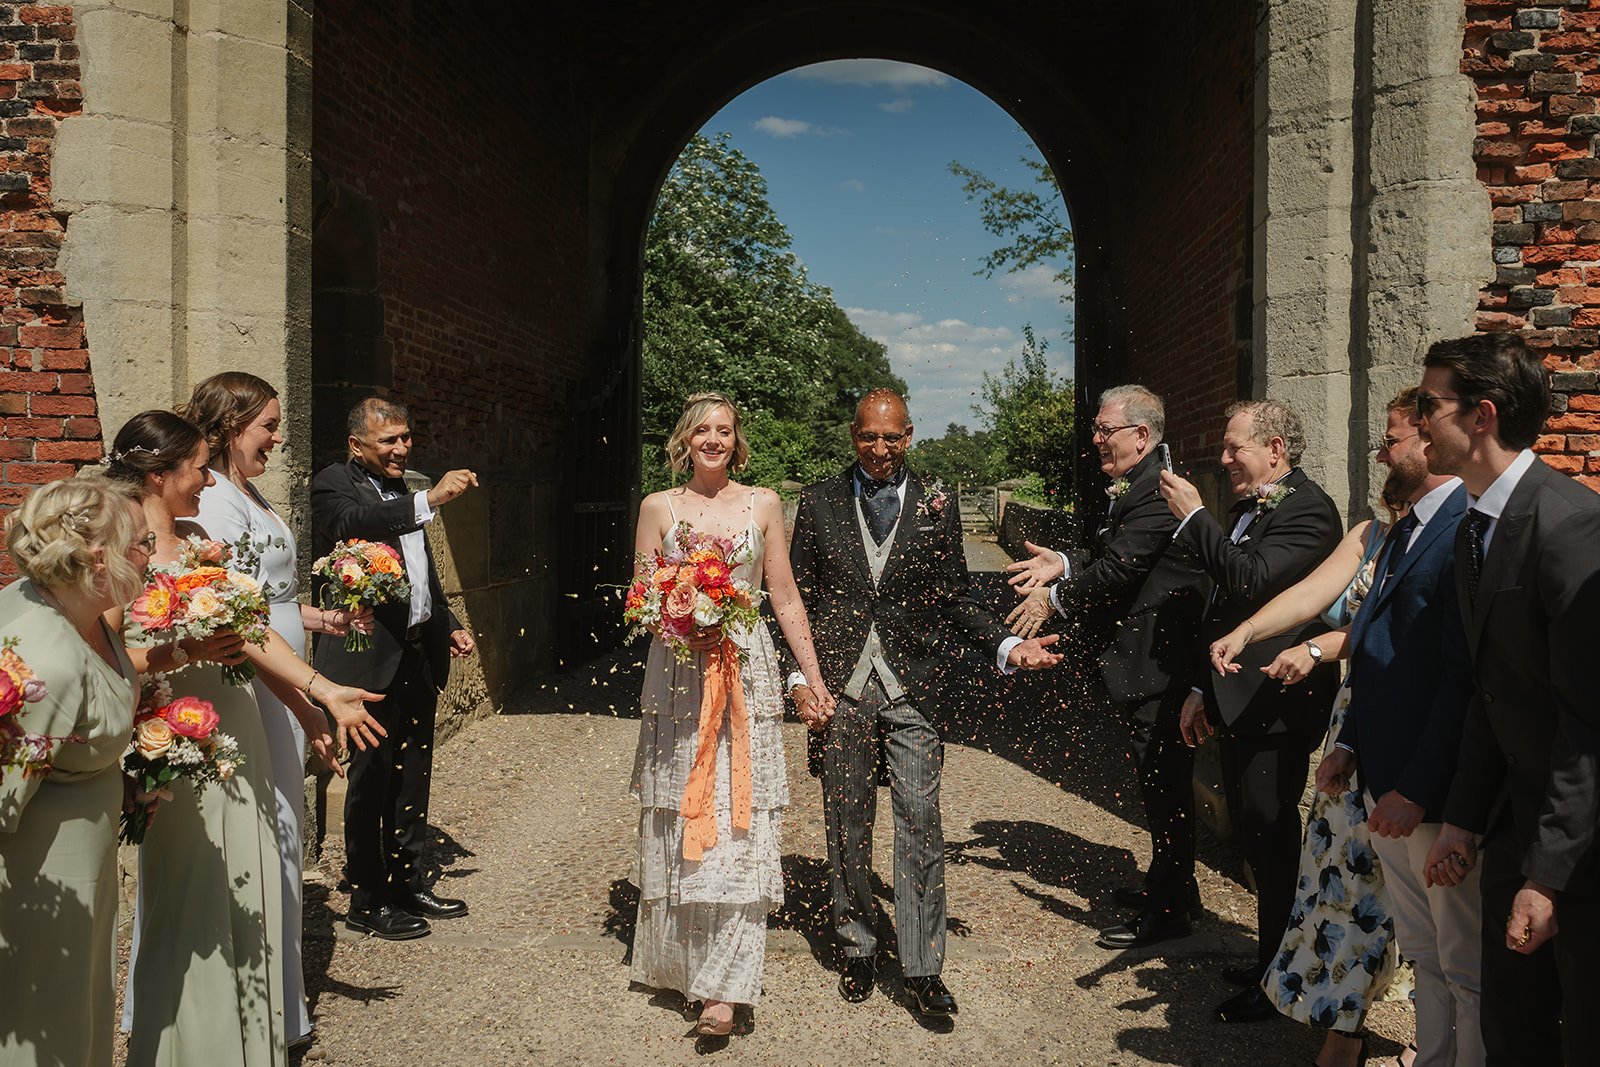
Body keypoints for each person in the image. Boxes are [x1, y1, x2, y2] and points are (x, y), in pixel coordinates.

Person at [106, 411, 382, 1065]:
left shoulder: (203, 536)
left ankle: (247, 1044)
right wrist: (183, 646)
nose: (209, 480)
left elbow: (254, 634)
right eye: (199, 467)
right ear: (156, 473)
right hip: (177, 742)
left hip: (240, 728)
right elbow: (108, 656)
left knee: (249, 886)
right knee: (192, 895)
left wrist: (320, 691)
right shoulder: (116, 544)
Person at [1214, 387, 1472, 1067]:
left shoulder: (1461, 531)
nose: (1380, 453)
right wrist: (1248, 629)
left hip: (1409, 725)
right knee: (1341, 879)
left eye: (1390, 439)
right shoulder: (1372, 532)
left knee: (1421, 900)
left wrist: (1321, 648)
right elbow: (1311, 595)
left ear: (1430, 441)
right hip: (1353, 726)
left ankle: (1429, 1036)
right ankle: (1346, 1028)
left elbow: (1397, 632)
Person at [787, 389, 1062, 1017]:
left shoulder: (937, 502)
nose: (879, 450)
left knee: (920, 822)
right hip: (840, 686)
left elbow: (955, 596)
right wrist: (797, 680)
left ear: (909, 435)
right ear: (851, 436)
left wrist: (1008, 645)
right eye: (867, 438)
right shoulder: (819, 500)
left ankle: (920, 966)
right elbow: (793, 599)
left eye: (891, 438)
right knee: (846, 819)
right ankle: (856, 943)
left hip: (915, 686)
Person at [182, 372, 386, 1050]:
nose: (276, 436)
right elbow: (239, 616)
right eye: (267, 425)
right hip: (248, 687)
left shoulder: (250, 492)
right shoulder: (213, 502)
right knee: (263, 842)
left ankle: (277, 1007)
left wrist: (324, 616)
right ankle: (251, 1016)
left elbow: (269, 600)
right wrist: (313, 695)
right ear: (230, 425)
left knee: (282, 839)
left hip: (279, 684)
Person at [1418, 333, 1600, 1065]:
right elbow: (1490, 688)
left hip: (1578, 848)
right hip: (1512, 827)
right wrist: (1463, 818)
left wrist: (1549, 876)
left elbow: (1589, 724)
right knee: (1511, 1031)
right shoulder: (1472, 525)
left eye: (1430, 403)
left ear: (1482, 414)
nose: (1419, 417)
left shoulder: (1568, 527)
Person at [628, 392, 834, 1037]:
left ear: (736, 439)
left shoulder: (764, 503)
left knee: (738, 815)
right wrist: (676, 615)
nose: (713, 440)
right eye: (702, 431)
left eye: (724, 430)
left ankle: (728, 985)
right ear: (684, 440)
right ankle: (689, 966)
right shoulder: (657, 506)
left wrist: (812, 675)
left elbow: (785, 596)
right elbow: (638, 594)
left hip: (745, 666)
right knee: (686, 808)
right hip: (680, 669)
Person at [1003, 385, 1210, 950]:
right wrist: (1064, 561)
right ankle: (1173, 889)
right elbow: (1112, 554)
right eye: (1097, 429)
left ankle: (1169, 911)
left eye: (1105, 430)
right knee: (1155, 785)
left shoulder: (1160, 493)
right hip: (1143, 667)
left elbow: (1121, 571)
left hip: (1159, 668)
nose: (1095, 439)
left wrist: (1055, 598)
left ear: (1141, 436)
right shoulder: (1137, 485)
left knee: (1165, 790)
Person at [1158, 398, 1342, 1024]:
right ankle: (1274, 955)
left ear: (1276, 450)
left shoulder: (1310, 510)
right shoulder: (1245, 509)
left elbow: (1250, 582)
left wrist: (1193, 519)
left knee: (1270, 828)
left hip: (1282, 700)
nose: (1225, 457)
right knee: (1255, 830)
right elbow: (1222, 611)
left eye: (1236, 447)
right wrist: (1198, 689)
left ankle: (1280, 974)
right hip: (1238, 695)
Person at [311, 397, 478, 942]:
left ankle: (407, 880)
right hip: (365, 660)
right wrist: (429, 499)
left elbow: (418, 568)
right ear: (357, 444)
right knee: (370, 780)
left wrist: (445, 619)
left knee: (412, 772)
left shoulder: (402, 490)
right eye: (390, 440)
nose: (402, 448)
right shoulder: (334, 485)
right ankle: (367, 896)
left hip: (415, 655)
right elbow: (355, 523)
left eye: (406, 438)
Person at [0, 474, 145, 1066]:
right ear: (98, 557)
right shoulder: (47, 659)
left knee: (82, 1005)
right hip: (39, 876)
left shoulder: (74, 610)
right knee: (48, 1019)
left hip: (83, 857)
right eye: (139, 541)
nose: (151, 552)